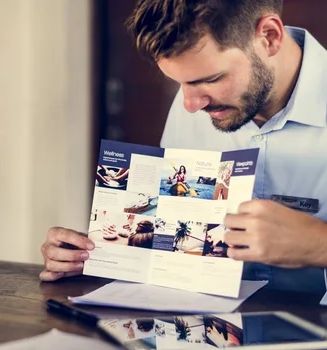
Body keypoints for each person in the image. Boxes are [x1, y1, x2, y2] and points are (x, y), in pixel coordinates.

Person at [40, 0, 327, 295]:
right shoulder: (200, 101)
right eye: (180, 84)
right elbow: (173, 232)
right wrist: (96, 253)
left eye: (212, 79)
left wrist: (319, 244)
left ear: (269, 36)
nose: (190, 106)